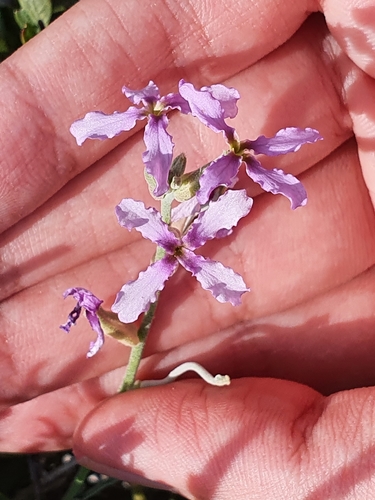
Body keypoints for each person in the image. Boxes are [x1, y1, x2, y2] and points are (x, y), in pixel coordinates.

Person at [1, 0, 375, 497]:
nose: (157, 112)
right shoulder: (166, 190)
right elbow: (155, 202)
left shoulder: (203, 188)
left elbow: (182, 200)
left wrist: (209, 183)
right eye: (154, 109)